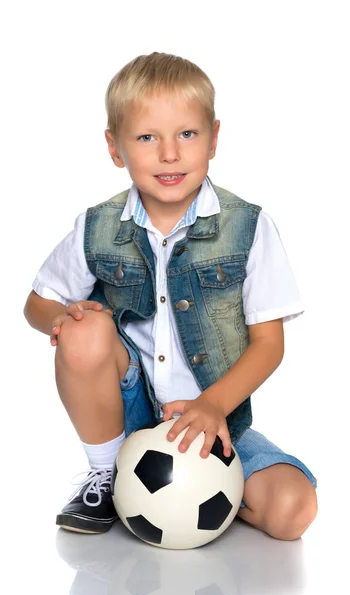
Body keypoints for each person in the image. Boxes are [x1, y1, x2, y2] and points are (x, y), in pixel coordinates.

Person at [24, 52, 318, 541]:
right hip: (130, 412)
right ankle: (109, 474)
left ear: (214, 139)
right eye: (146, 137)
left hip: (216, 418)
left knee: (293, 511)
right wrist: (62, 314)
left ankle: (208, 490)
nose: (169, 154)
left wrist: (213, 406)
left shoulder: (247, 227)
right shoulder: (97, 227)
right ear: (115, 148)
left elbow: (270, 345)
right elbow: (37, 304)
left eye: (187, 134)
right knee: (83, 327)